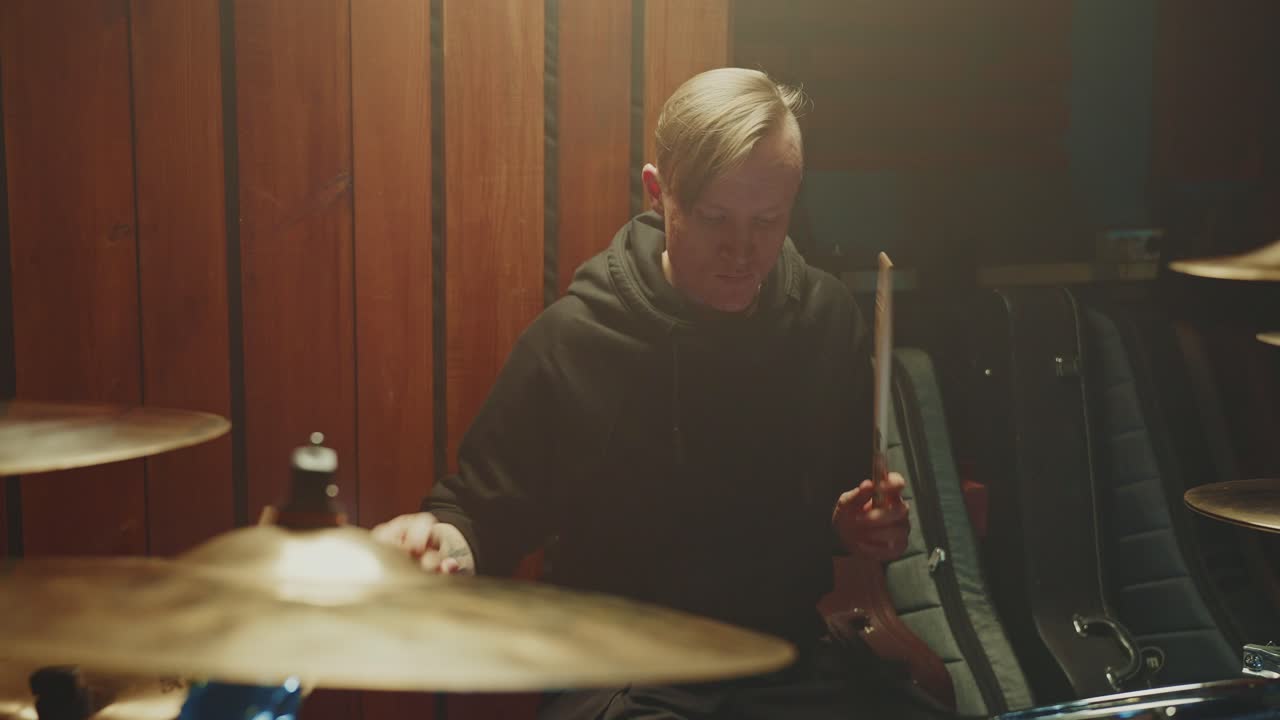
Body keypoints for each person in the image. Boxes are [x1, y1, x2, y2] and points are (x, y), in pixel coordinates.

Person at [373, 67, 946, 719]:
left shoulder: (825, 319)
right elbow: (483, 510)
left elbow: (843, 508)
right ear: (657, 192)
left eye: (767, 221)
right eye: (713, 220)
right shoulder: (578, 339)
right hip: (622, 673)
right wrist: (436, 542)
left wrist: (860, 526)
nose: (741, 251)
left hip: (783, 661)